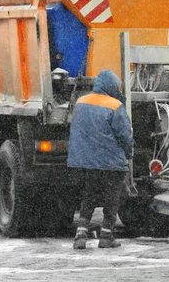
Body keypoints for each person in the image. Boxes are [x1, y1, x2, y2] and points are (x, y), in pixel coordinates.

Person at [68, 69, 133, 250]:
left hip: (87, 162)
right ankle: (106, 237)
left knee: (88, 197)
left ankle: (80, 237)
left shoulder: (81, 102)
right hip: (111, 163)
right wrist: (128, 154)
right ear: (112, 86)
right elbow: (125, 135)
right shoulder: (114, 105)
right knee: (112, 199)